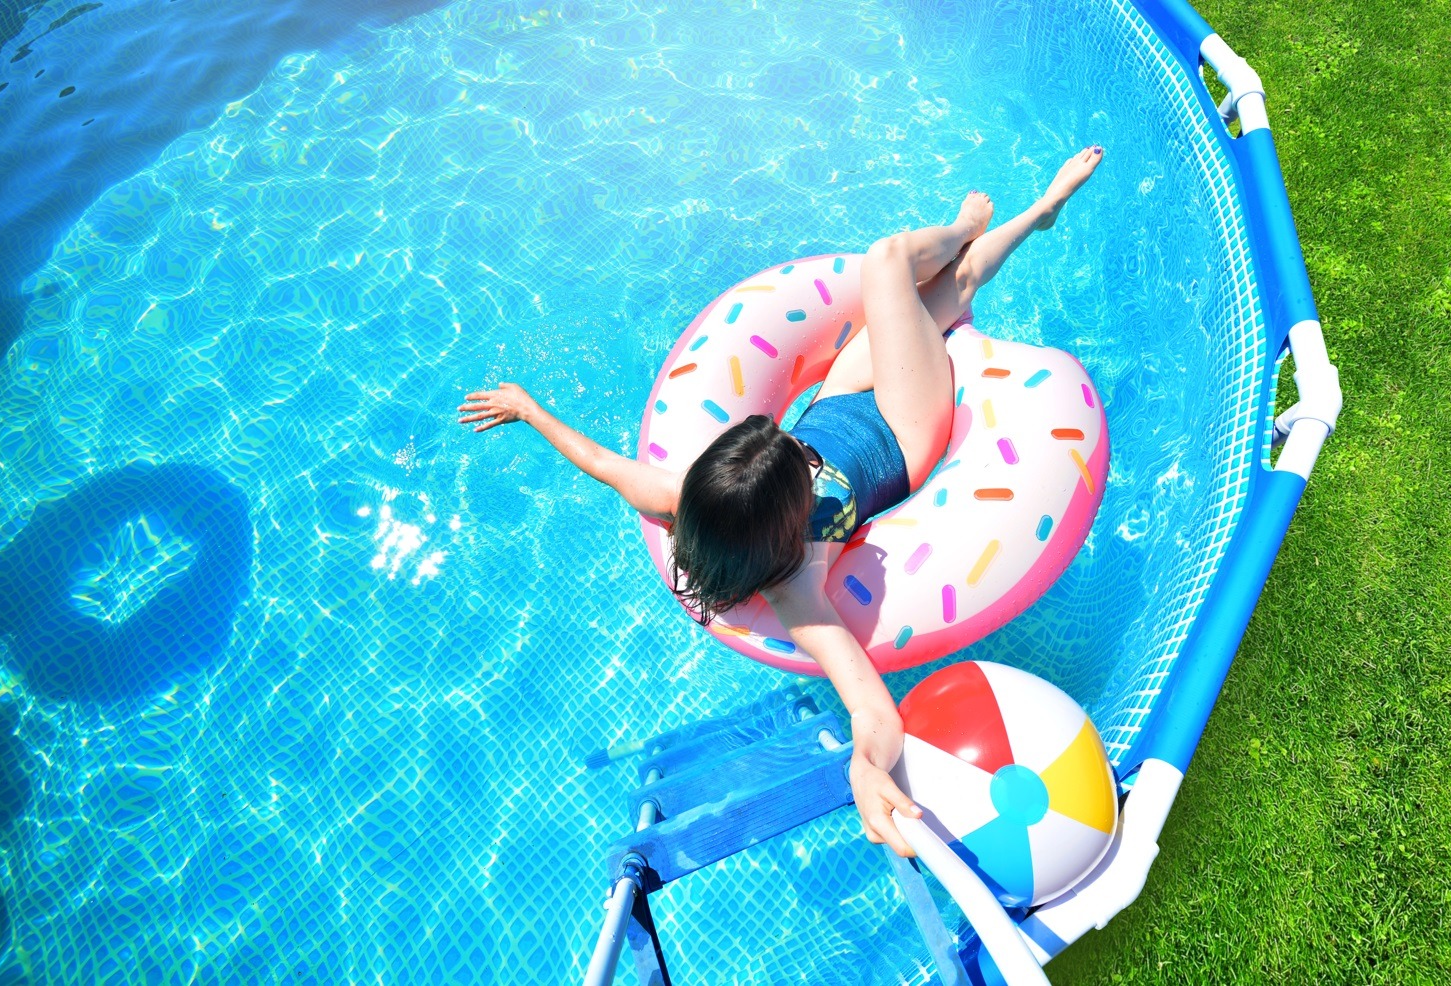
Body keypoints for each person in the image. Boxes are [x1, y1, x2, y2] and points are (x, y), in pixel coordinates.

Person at [458, 147, 1104, 856]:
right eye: (795, 463)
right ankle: (981, 224)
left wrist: (528, 408)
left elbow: (604, 464)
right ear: (792, 518)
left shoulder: (691, 503)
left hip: (837, 403)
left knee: (938, 297)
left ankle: (1026, 219)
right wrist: (866, 765)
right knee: (895, 263)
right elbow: (869, 707)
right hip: (902, 429)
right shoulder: (800, 585)